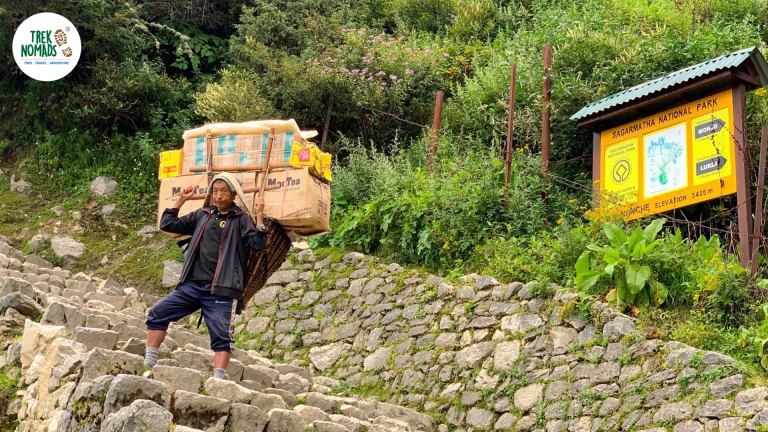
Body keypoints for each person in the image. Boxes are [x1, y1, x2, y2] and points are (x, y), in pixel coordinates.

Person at [145, 173, 268, 378]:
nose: (218, 196)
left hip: (221, 289)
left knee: (222, 337)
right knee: (158, 313)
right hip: (191, 286)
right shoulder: (202, 214)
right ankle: (148, 365)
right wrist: (182, 199)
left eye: (224, 191)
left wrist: (260, 216)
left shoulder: (240, 219)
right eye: (215, 191)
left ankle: (218, 382)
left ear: (233, 195)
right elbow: (167, 224)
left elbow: (258, 244)